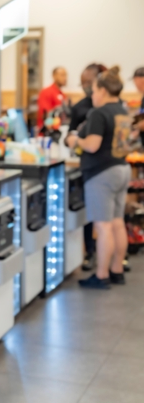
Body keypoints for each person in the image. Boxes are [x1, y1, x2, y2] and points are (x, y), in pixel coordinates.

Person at [66, 66, 131, 289]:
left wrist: (75, 141)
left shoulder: (99, 113)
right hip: (122, 168)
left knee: (102, 227)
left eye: (93, 90)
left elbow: (92, 145)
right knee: (117, 223)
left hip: (102, 173)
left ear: (102, 90)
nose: (92, 95)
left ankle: (101, 275)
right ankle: (117, 270)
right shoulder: (122, 110)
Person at [68, 63, 107, 271]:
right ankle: (90, 253)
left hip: (101, 170)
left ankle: (103, 267)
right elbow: (71, 131)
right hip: (89, 167)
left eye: (88, 83)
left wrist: (79, 142)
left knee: (103, 222)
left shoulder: (104, 111)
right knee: (94, 217)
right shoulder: (80, 107)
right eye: (82, 83)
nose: (85, 87)